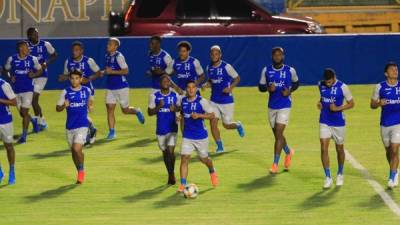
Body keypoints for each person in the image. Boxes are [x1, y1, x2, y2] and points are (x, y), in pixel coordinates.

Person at [258, 47, 299, 174]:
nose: (277, 57)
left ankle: (275, 164)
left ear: (283, 56)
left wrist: (290, 91)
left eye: (279, 55)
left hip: (285, 105)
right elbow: (260, 87)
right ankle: (288, 152)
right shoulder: (266, 70)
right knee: (278, 135)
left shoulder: (290, 70)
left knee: (279, 134)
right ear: (272, 56)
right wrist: (268, 89)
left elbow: (296, 83)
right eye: (275, 55)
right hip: (272, 106)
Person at [177, 80, 218, 192]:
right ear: (186, 89)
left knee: (204, 159)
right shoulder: (183, 101)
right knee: (184, 158)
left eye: (193, 87)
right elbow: (182, 112)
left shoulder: (202, 101)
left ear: (196, 89)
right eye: (188, 87)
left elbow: (212, 115)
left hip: (201, 136)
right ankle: (182, 184)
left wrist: (199, 115)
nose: (191, 89)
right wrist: (179, 117)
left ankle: (212, 170)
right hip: (187, 136)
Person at [202, 45, 244, 153]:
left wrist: (230, 88)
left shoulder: (227, 67)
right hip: (214, 101)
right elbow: (211, 81)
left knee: (226, 125)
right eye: (212, 54)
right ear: (210, 55)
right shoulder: (209, 68)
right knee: (213, 122)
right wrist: (206, 84)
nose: (214, 56)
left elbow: (237, 78)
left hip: (226, 101)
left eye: (216, 54)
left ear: (220, 55)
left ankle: (238, 125)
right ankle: (219, 146)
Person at [317, 68, 354, 189]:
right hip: (324, 121)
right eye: (326, 82)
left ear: (334, 78)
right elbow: (323, 98)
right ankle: (328, 177)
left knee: (339, 149)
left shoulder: (343, 87)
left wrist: (337, 109)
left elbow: (351, 103)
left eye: (329, 82)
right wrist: (320, 103)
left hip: (338, 123)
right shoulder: (320, 85)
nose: (327, 84)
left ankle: (340, 173)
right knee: (323, 148)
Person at [59, 41, 101, 145]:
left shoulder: (88, 61)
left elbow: (99, 73)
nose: (74, 52)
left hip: (87, 91)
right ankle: (91, 129)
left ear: (82, 51)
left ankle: (86, 135)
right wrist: (63, 78)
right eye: (73, 50)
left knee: (83, 112)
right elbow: (67, 75)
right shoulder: (68, 61)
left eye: (77, 50)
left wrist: (89, 78)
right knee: (79, 113)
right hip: (74, 91)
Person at [56, 70, 93, 184]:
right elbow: (57, 108)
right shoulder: (65, 92)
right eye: (72, 78)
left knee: (76, 148)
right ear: (69, 79)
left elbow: (90, 101)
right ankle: (79, 170)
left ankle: (81, 171)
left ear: (81, 79)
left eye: (77, 78)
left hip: (82, 125)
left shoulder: (86, 90)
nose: (74, 80)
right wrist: (63, 105)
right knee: (73, 151)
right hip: (70, 126)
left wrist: (91, 106)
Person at [103, 37, 145, 140]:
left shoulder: (119, 57)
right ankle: (112, 132)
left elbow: (126, 71)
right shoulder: (107, 56)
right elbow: (109, 70)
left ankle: (137, 111)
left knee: (125, 110)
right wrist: (103, 72)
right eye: (108, 44)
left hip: (121, 87)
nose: (108, 46)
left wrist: (111, 72)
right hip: (110, 87)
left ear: (116, 47)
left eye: (110, 44)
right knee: (110, 109)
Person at [3, 41, 42, 143]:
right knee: (22, 114)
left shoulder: (33, 59)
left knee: (24, 112)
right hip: (15, 91)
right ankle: (33, 121)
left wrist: (33, 75)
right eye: (26, 47)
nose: (28, 49)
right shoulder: (12, 59)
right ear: (21, 48)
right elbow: (5, 69)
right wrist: (10, 77)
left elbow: (40, 70)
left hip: (28, 90)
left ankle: (24, 137)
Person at [371, 62, 400, 189]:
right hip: (385, 124)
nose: (395, 71)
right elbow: (372, 105)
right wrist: (378, 103)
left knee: (394, 150)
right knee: (389, 152)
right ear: (386, 73)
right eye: (392, 69)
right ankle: (395, 170)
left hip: (398, 123)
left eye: (396, 69)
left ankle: (392, 177)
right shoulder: (379, 87)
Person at [148, 75, 179, 185]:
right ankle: (170, 173)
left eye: (168, 81)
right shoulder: (154, 96)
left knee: (171, 152)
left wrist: (175, 109)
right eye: (164, 80)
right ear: (160, 83)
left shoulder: (176, 95)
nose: (166, 82)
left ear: (170, 83)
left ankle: (172, 175)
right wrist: (158, 107)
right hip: (161, 128)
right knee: (165, 152)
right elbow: (150, 112)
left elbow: (181, 108)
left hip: (172, 127)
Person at [27, 27, 57, 130]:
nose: (37, 35)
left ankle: (40, 122)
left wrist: (46, 63)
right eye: (34, 34)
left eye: (37, 33)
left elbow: (54, 55)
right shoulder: (26, 46)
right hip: (30, 76)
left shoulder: (45, 44)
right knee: (32, 100)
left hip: (42, 75)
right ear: (29, 36)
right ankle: (41, 121)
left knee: (34, 98)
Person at [0, 78, 17, 185]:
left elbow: (14, 102)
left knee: (9, 147)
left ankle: (12, 170)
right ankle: (0, 172)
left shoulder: (4, 85)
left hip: (5, 121)